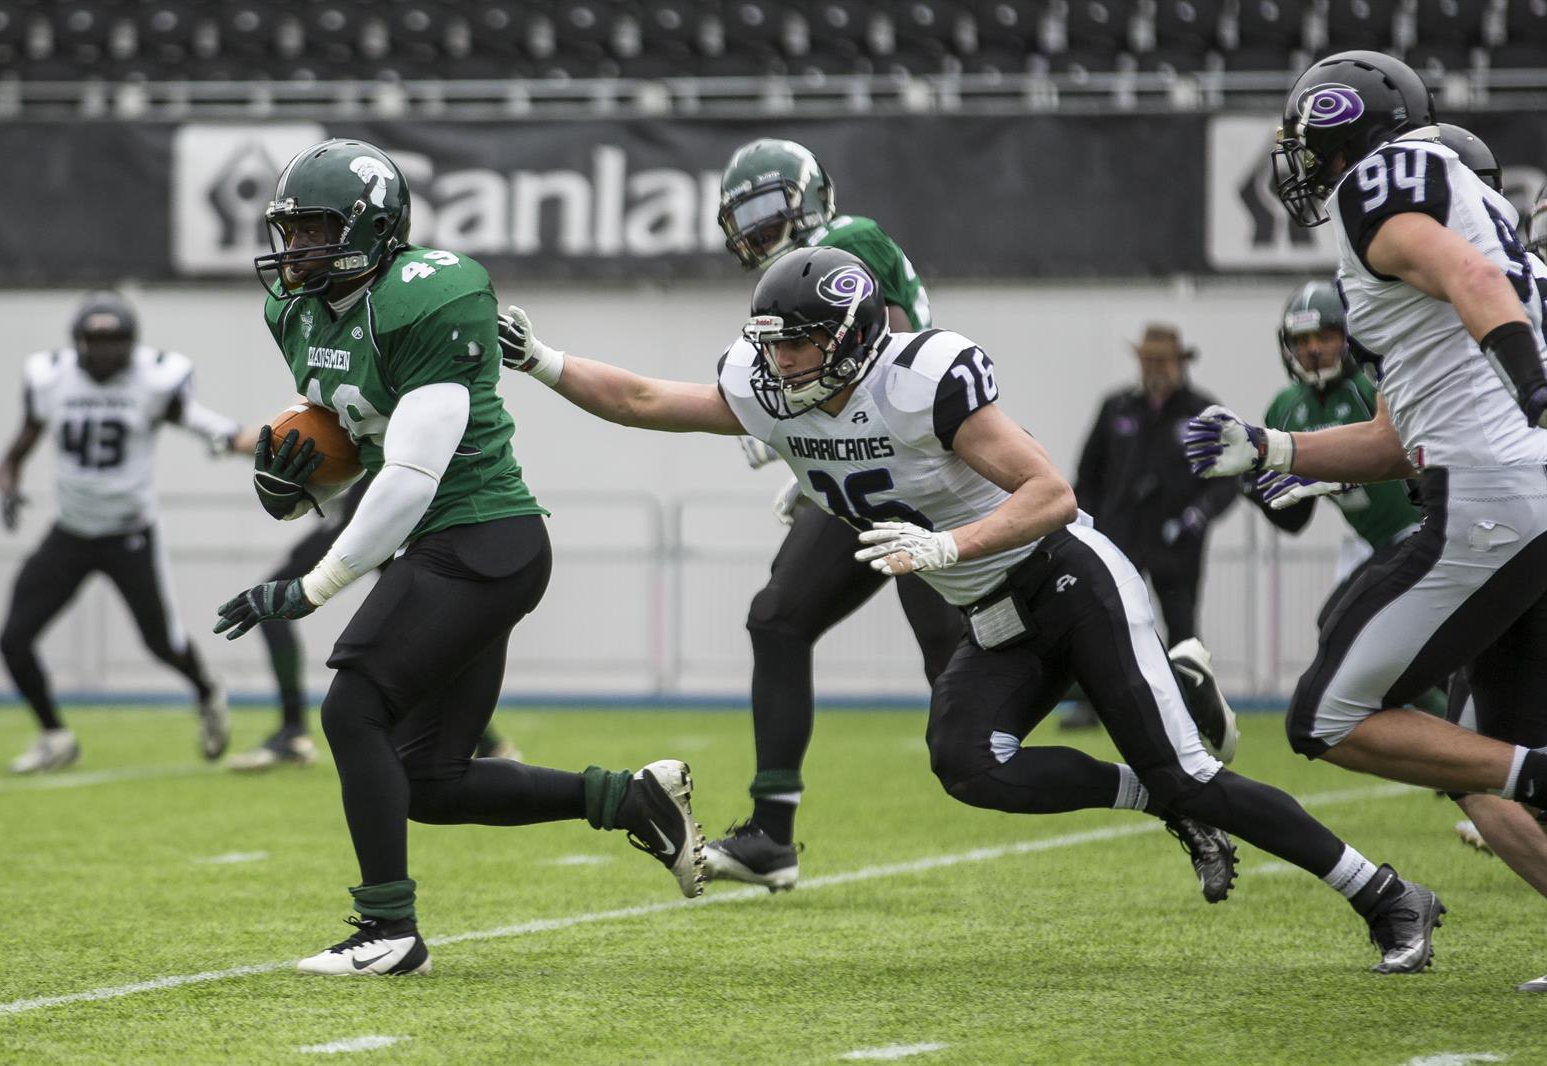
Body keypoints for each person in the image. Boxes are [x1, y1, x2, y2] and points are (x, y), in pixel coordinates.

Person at [499, 244, 1447, 973]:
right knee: (966, 763)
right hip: (994, 614)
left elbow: (1052, 494)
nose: (781, 361)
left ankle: (1389, 895)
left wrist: (946, 545)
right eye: (772, 343)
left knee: (1196, 775)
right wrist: (542, 360)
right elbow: (639, 398)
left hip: (1069, 582)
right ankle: (1153, 795)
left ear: (855, 334)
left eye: (798, 342)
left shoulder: (924, 380)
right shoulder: (772, 388)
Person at [211, 138, 705, 977]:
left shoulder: (432, 294)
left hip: (480, 536)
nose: (295, 251)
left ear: (372, 228)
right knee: (432, 781)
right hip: (449, 546)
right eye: (288, 232)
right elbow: (350, 442)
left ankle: (387, 933)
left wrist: (313, 586)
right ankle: (631, 798)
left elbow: (409, 476)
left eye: (315, 231)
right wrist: (286, 487)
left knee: (350, 710)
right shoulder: (295, 313)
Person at [1185, 51, 1547, 991]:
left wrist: (1535, 391)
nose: (1299, 164)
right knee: (1493, 750)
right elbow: (1396, 434)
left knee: (1328, 714)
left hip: (1489, 500)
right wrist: (1273, 450)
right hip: (1518, 500)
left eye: (1310, 140)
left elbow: (1465, 272)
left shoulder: (1381, 189)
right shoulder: (1473, 206)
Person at [703, 138, 964, 890]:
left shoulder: (848, 241)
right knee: (777, 618)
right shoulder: (800, 274)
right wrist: (810, 460)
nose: (752, 229)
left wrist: (822, 452)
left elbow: (878, 362)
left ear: (808, 199)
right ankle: (771, 833)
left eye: (765, 209)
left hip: (919, 483)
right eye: (741, 215)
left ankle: (1163, 729)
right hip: (859, 479)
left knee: (961, 679)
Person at [0, 291, 249, 774]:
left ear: (132, 343)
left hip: (129, 534)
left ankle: (207, 691)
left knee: (162, 643)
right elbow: (14, 452)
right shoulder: (50, 378)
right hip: (69, 532)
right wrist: (7, 487)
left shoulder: (154, 381)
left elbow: (207, 425)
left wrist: (262, 444)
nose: (106, 351)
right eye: (96, 340)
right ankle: (55, 736)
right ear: (77, 341)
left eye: (115, 341)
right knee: (13, 638)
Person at [225, 477, 522, 772]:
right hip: (378, 508)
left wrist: (229, 436)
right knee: (425, 629)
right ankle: (488, 741)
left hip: (378, 509)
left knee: (272, 601)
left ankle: (293, 731)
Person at [1245, 281, 1443, 717]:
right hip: (1385, 547)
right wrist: (1252, 486)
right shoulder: (1284, 407)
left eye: (1325, 336)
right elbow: (1296, 520)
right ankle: (1458, 739)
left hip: (1426, 531)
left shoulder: (1373, 390)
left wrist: (1339, 473)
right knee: (1364, 633)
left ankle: (1456, 739)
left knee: (1344, 622)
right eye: (1303, 340)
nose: (1313, 349)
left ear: (1349, 337)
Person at [1066, 324, 1240, 734]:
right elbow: (1087, 473)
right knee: (1108, 624)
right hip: (1120, 537)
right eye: (1147, 360)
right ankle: (1096, 706)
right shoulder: (1117, 407)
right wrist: (1085, 525)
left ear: (1179, 363)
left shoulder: (1202, 411)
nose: (1154, 368)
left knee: (1182, 629)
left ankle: (1191, 709)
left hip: (1176, 541)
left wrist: (1200, 514)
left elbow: (1228, 479)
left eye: (1161, 360)